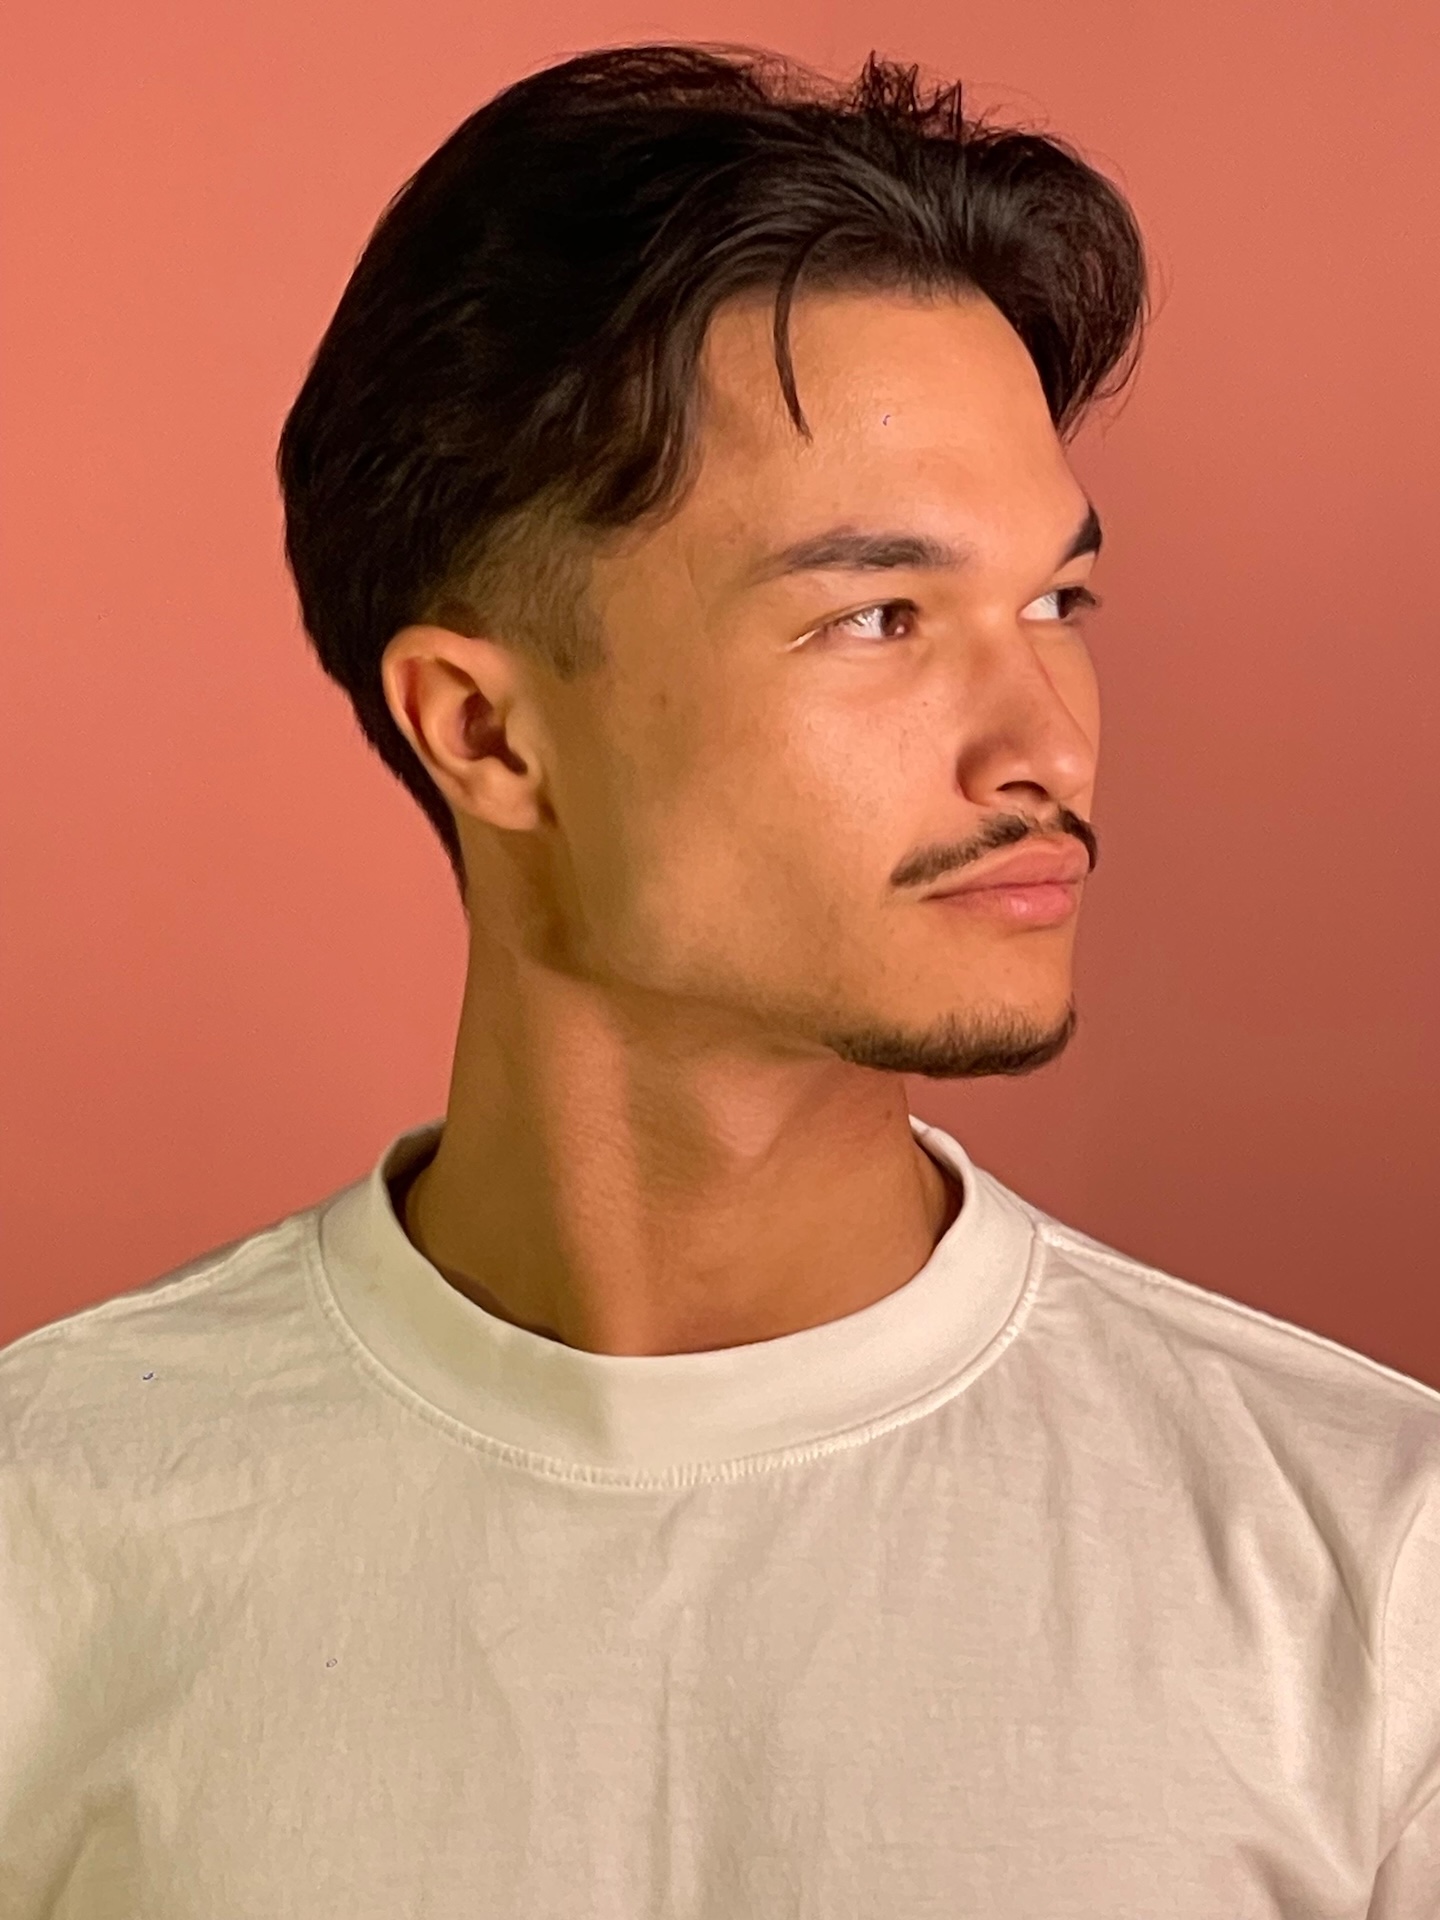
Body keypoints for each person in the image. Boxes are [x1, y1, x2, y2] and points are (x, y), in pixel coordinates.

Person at [2, 41, 1436, 1917]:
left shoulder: (1374, 1567)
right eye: (879, 617)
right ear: (485, 734)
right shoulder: (50, 1534)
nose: (1048, 745)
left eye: (1057, 603)